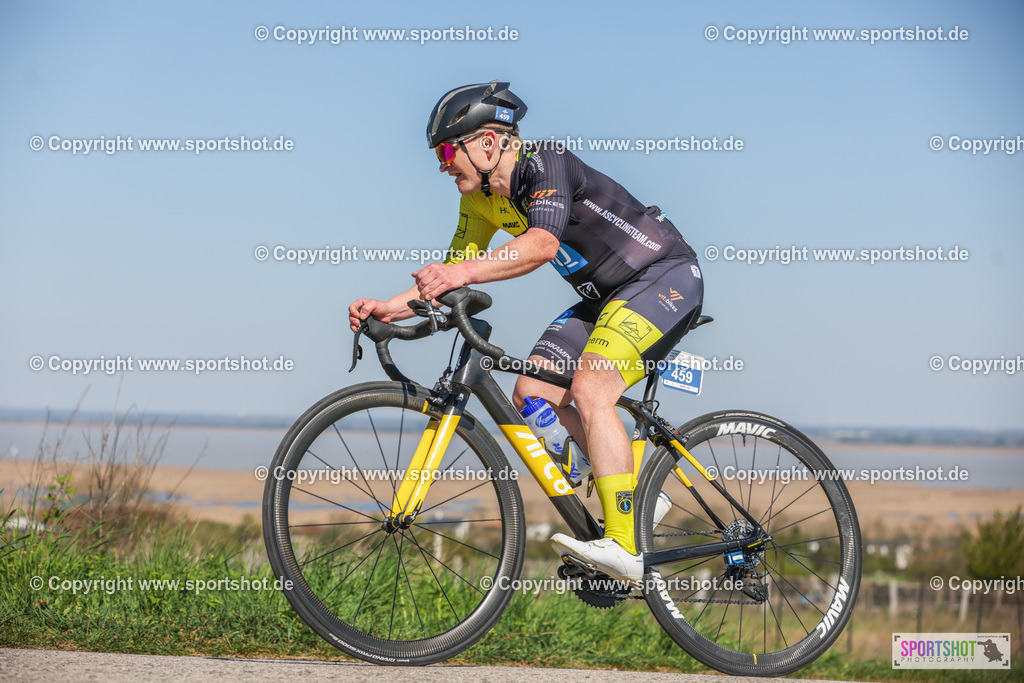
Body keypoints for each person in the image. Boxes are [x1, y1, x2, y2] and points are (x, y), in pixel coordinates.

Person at [348, 80, 704, 585]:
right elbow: (454, 272)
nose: (442, 164)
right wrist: (389, 308)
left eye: (449, 150)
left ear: (489, 142)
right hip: (605, 299)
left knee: (590, 389)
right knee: (533, 394)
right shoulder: (479, 204)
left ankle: (625, 545)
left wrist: (462, 275)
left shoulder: (547, 163)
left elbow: (539, 244)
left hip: (662, 278)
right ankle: (636, 497)